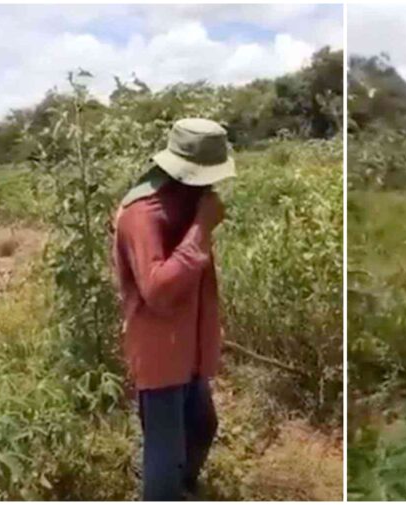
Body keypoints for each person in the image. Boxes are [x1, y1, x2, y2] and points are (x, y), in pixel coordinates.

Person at [112, 118, 236, 500]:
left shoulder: (186, 200)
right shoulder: (144, 213)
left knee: (202, 426)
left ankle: (183, 490)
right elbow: (159, 291)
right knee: (165, 458)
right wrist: (202, 227)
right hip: (160, 352)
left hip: (190, 347)